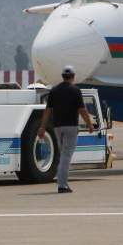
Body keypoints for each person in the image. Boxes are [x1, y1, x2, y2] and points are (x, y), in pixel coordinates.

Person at [37, 65, 95, 193]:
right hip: (71, 127)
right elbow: (82, 110)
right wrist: (89, 124)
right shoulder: (75, 91)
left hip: (58, 127)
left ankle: (62, 183)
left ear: (63, 76)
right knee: (66, 154)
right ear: (73, 77)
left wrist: (42, 127)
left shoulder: (54, 91)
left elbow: (47, 111)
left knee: (63, 153)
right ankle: (62, 185)